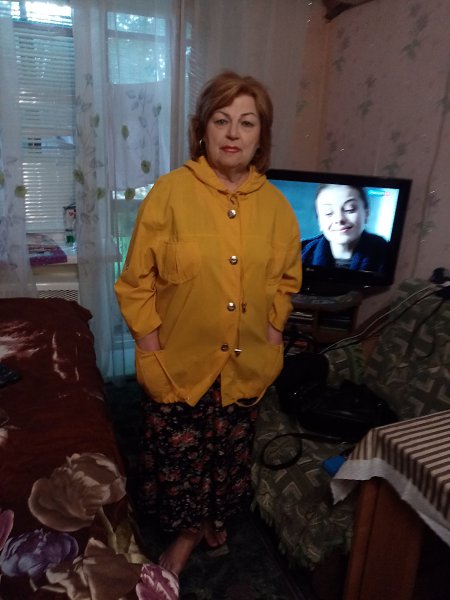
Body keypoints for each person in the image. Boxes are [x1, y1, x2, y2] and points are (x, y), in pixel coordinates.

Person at [114, 70, 302, 576]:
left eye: (247, 122)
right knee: (178, 460)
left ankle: (211, 518)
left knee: (228, 456)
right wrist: (150, 346)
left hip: (246, 363)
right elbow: (135, 282)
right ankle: (185, 532)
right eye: (222, 120)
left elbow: (286, 282)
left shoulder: (278, 208)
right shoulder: (169, 194)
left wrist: (274, 335)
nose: (233, 133)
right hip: (179, 363)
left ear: (261, 136)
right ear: (202, 129)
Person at [301, 183, 388, 272]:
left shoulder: (388, 254)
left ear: (366, 214)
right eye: (328, 213)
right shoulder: (300, 253)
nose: (339, 219)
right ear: (319, 221)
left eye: (349, 209)